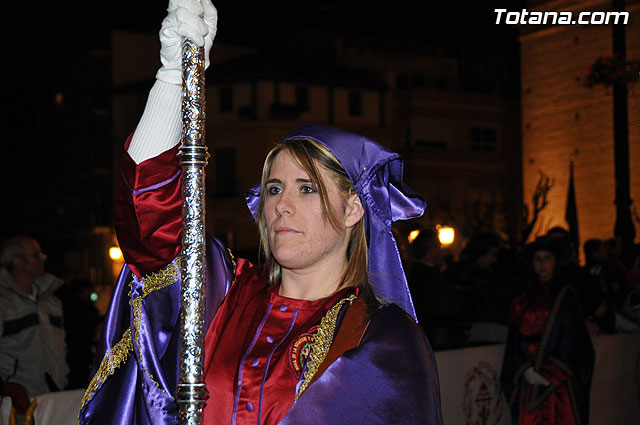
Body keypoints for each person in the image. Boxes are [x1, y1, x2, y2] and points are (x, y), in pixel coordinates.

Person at [78, 1, 443, 424]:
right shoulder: (224, 292)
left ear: (352, 209)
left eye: (306, 189)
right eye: (273, 188)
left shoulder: (385, 338)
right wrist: (172, 77)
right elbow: (150, 220)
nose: (280, 205)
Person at [501, 236, 594, 425]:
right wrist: (525, 368)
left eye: (547, 258)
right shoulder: (524, 298)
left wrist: (550, 373)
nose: (542, 264)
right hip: (530, 380)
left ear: (555, 262)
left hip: (558, 384)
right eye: (538, 259)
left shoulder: (566, 296)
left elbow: (574, 339)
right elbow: (515, 338)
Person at [0, 236, 69, 415]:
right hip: (16, 402)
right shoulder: (3, 302)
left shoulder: (52, 302)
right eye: (36, 255)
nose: (43, 259)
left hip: (53, 397)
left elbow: (62, 345)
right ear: (17, 261)